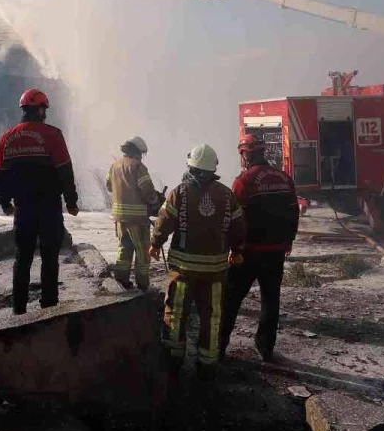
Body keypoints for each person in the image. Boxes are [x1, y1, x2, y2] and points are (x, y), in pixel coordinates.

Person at [149, 144, 245, 378]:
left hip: (184, 270)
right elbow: (239, 225)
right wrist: (238, 250)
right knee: (212, 316)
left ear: (190, 167)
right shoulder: (226, 194)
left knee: (177, 311)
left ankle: (173, 359)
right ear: (213, 169)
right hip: (215, 270)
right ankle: (208, 363)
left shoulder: (179, 192)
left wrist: (155, 243)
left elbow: (164, 221)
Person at [0, 88, 79, 315]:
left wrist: (4, 203)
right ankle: (48, 307)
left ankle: (18, 309)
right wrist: (71, 202)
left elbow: (0, 174)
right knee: (49, 257)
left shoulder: (7, 138)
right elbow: (65, 171)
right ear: (41, 110)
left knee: (22, 258)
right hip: (49, 207)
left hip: (23, 208)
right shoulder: (52, 134)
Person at [219, 133, 300, 362]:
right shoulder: (284, 178)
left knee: (231, 300)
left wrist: (232, 248)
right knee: (271, 299)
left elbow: (234, 219)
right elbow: (294, 212)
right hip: (276, 251)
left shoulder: (243, 182)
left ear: (245, 154)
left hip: (249, 252)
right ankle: (266, 348)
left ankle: (219, 345)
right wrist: (289, 240)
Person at [105, 136, 162, 290]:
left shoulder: (114, 165)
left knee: (124, 248)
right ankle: (142, 283)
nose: (141, 157)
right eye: (141, 153)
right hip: (137, 219)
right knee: (143, 251)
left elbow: (109, 186)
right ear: (136, 151)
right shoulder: (138, 167)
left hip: (119, 218)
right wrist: (156, 201)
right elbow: (147, 190)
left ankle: (122, 280)